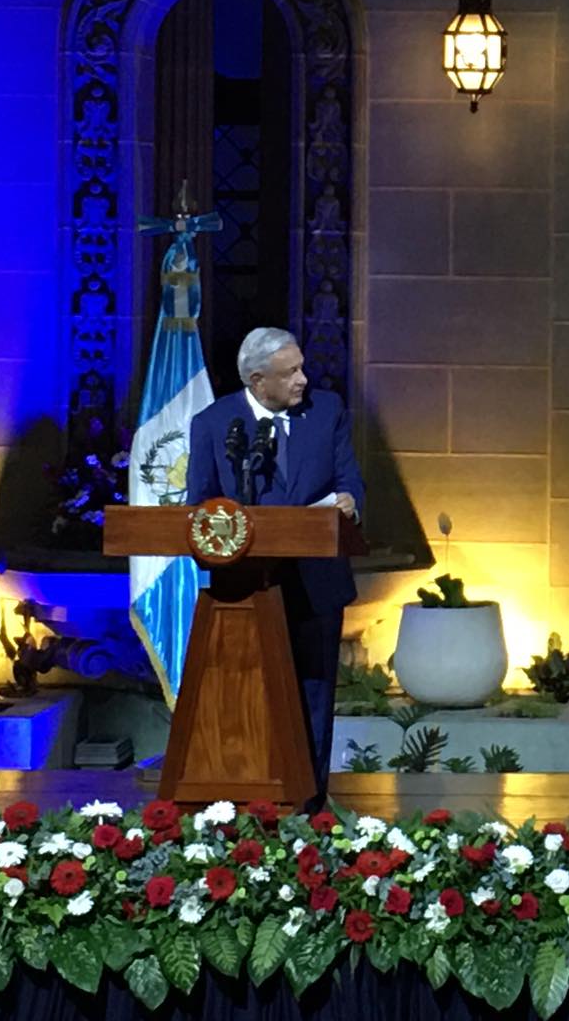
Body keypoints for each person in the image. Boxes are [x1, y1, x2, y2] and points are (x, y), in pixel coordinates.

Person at [185, 326, 361, 811]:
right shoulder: (214, 423)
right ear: (259, 380)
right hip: (244, 590)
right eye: (291, 373)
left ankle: (310, 803)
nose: (304, 379)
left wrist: (350, 503)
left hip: (316, 582)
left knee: (315, 693)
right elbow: (198, 508)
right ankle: (246, 800)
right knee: (247, 695)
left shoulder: (327, 412)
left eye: (302, 368)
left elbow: (350, 481)